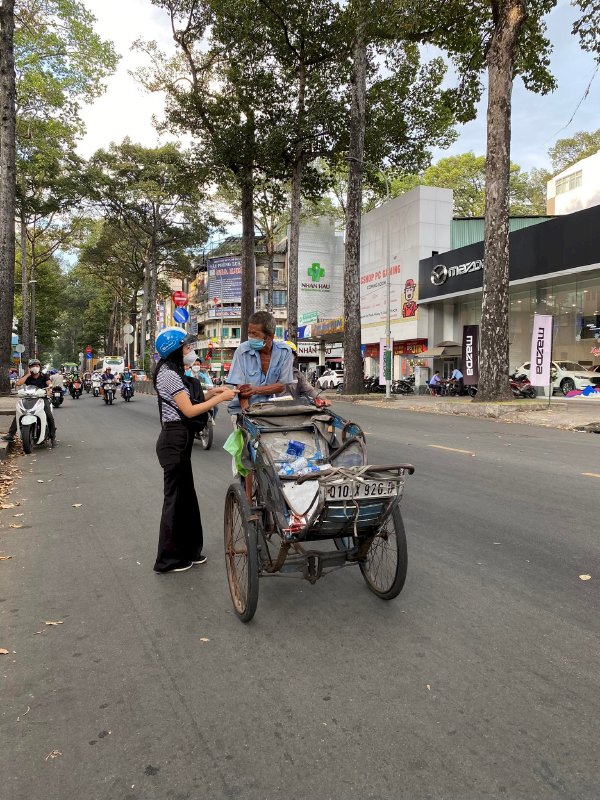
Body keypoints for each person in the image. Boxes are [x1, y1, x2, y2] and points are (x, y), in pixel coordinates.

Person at [153, 327, 236, 573]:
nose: (190, 352)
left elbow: (190, 399)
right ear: (176, 350)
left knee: (186, 499)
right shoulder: (168, 374)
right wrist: (220, 399)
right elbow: (189, 410)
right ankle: (168, 559)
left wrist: (212, 392)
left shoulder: (175, 372)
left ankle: (189, 551)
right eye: (187, 348)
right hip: (173, 439)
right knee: (175, 500)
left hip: (181, 439)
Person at [226, 311, 294, 414]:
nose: (250, 337)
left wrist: (255, 390)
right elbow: (241, 388)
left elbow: (281, 386)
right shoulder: (242, 350)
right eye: (249, 332)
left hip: (271, 410)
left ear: (270, 336)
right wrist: (247, 413)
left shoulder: (285, 352)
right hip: (242, 410)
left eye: (255, 334)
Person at [2, 359, 56, 442]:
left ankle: (52, 436)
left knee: (49, 415)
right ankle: (10, 434)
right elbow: (18, 383)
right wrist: (27, 374)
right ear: (30, 368)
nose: (35, 367)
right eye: (33, 366)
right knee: (19, 413)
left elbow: (49, 383)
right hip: (29, 399)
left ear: (39, 367)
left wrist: (50, 387)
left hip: (42, 399)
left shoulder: (44, 376)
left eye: (37, 366)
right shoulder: (27, 376)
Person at [282, 342, 331, 406]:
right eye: (284, 355)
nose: (287, 358)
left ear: (294, 357)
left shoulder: (297, 374)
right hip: (273, 410)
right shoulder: (270, 372)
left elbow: (309, 390)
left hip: (293, 409)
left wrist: (323, 399)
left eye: (290, 355)